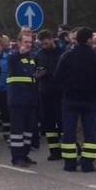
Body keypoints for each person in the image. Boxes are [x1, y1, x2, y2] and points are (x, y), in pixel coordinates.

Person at [54, 27, 96, 173]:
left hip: (70, 99)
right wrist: (95, 86)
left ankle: (69, 164)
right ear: (89, 39)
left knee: (69, 132)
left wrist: (67, 89)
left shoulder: (67, 56)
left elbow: (57, 77)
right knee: (90, 133)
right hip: (90, 99)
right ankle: (88, 164)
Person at [7, 33, 39, 167]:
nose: (28, 45)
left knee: (28, 130)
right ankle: (17, 157)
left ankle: (25, 155)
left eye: (30, 42)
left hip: (30, 99)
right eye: (25, 42)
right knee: (17, 131)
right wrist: (19, 54)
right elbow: (12, 61)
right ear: (19, 42)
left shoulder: (31, 58)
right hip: (18, 99)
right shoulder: (13, 56)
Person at [35, 30, 64, 161]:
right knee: (49, 124)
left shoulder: (62, 53)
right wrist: (37, 74)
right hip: (45, 93)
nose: (44, 46)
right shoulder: (39, 55)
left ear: (52, 39)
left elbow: (63, 71)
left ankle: (67, 149)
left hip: (60, 92)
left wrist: (48, 72)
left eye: (46, 43)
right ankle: (54, 151)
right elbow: (34, 70)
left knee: (63, 123)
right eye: (42, 44)